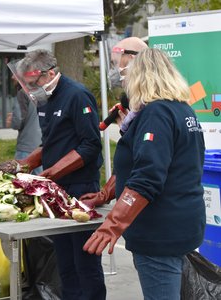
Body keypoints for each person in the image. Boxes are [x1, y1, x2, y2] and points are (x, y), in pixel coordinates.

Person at [83, 48, 206, 300]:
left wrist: (112, 225)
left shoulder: (157, 114)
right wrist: (106, 194)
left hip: (159, 230)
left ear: (140, 77)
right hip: (181, 221)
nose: (124, 82)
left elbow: (147, 176)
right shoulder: (183, 110)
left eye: (126, 75)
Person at [0, 49, 106, 300]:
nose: (30, 89)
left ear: (50, 74)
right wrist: (25, 165)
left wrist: (49, 174)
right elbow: (51, 143)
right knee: (64, 262)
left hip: (79, 188)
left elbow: (90, 145)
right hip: (56, 190)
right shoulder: (46, 99)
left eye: (33, 83)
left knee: (85, 260)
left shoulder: (77, 95)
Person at [80, 37, 148, 208]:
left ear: (131, 61)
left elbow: (146, 170)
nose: (114, 70)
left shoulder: (154, 108)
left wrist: (113, 225)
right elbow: (129, 157)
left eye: (115, 62)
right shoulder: (136, 104)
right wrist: (105, 194)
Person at [6, 75, 42, 174]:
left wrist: (11, 121)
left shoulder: (23, 93)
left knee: (22, 184)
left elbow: (17, 121)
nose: (12, 77)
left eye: (14, 74)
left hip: (26, 148)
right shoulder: (43, 91)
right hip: (43, 147)